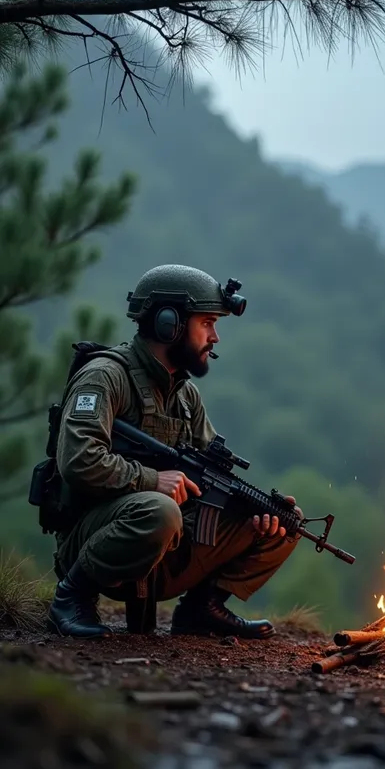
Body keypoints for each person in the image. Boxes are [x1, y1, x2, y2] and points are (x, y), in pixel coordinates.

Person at [47, 265, 301, 640]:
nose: (215, 337)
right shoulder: (105, 377)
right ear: (170, 324)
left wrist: (255, 511)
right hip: (94, 540)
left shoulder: (185, 395)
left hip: (164, 545)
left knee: (286, 523)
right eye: (208, 323)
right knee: (161, 510)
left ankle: (202, 609)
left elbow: (208, 479)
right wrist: (152, 480)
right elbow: (78, 460)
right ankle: (71, 598)